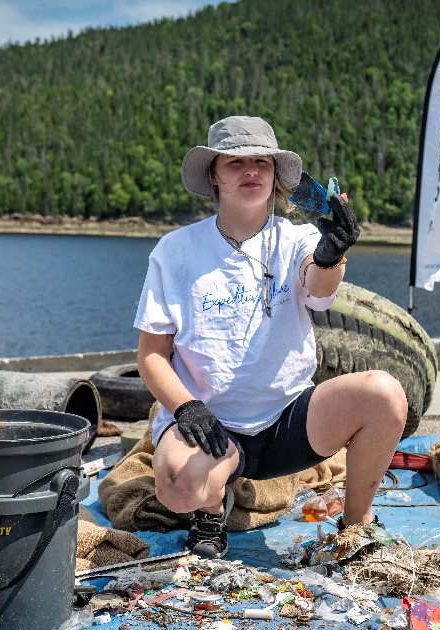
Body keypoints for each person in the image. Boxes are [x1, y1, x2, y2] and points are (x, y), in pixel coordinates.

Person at [134, 115, 408, 559]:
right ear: (213, 176)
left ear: (277, 175)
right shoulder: (175, 251)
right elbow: (151, 356)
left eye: (262, 162)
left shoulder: (297, 237)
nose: (251, 172)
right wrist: (186, 408)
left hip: (289, 423)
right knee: (178, 487)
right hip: (210, 426)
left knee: (386, 396)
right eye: (235, 162)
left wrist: (331, 254)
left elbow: (318, 291)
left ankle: (357, 525)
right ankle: (209, 510)